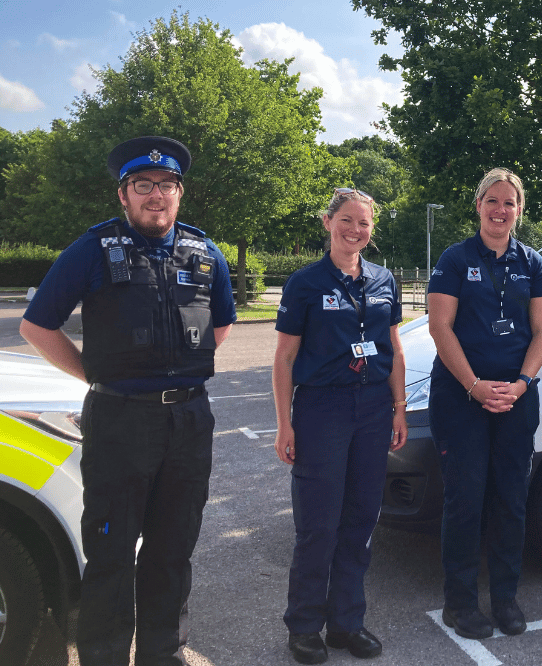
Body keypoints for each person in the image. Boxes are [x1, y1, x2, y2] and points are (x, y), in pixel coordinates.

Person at [19, 136, 237, 665]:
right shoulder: (92, 250)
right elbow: (36, 326)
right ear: (124, 195)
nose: (155, 195)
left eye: (166, 186)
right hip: (119, 420)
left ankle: (164, 653)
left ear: (180, 194)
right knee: (112, 553)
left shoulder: (206, 254)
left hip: (188, 419)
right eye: (143, 186)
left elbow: (221, 326)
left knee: (171, 548)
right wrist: (94, 375)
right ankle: (105, 656)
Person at [272, 188, 408, 664]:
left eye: (364, 224)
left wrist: (398, 407)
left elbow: (394, 347)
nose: (355, 230)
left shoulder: (383, 280)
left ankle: (347, 623)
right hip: (322, 410)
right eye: (347, 220)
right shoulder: (306, 283)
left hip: (372, 409)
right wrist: (284, 423)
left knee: (360, 521)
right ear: (328, 222)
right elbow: (285, 357)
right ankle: (305, 626)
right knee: (318, 524)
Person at [427, 168, 542, 639]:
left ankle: (505, 598)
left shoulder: (533, 263)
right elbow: (441, 327)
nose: (501, 210)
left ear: (519, 211)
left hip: (517, 397)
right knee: (465, 500)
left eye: (510, 203)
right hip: (462, 396)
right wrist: (475, 385)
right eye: (492, 201)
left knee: (511, 499)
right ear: (478, 205)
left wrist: (521, 383)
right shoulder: (455, 259)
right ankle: (459, 604)